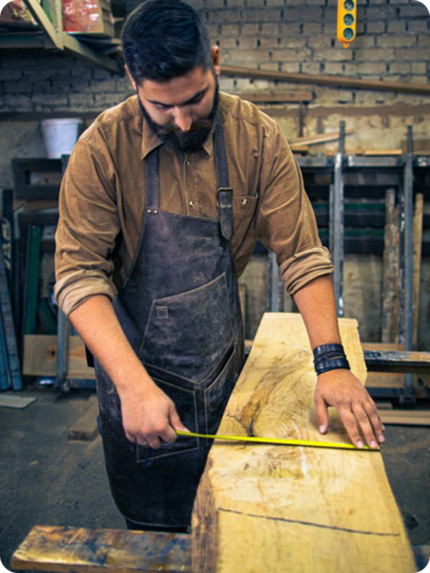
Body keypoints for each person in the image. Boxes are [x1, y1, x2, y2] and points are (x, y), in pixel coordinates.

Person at [54, 0, 385, 532]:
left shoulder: (257, 137)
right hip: (137, 387)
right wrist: (134, 386)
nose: (183, 121)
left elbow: (300, 253)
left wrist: (332, 363)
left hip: (225, 375)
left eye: (195, 99)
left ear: (215, 59)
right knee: (157, 535)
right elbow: (78, 277)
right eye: (161, 107)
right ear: (131, 78)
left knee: (237, 529)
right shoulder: (100, 150)